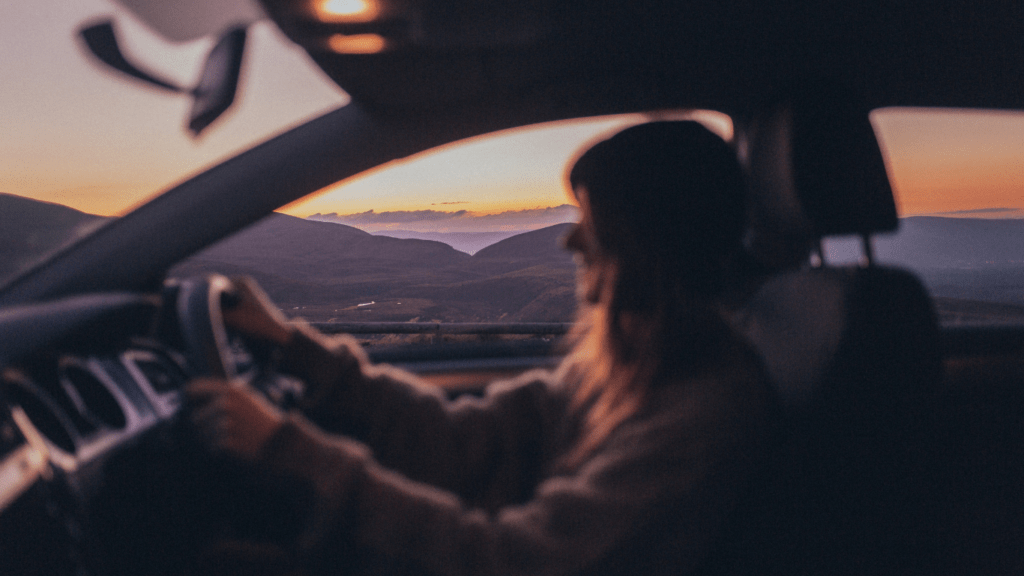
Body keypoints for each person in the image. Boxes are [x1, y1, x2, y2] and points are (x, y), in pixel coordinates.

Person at [185, 120, 778, 576]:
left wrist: (290, 450)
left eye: (592, 221)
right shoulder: (625, 368)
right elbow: (461, 440)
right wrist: (295, 348)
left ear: (649, 242)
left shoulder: (702, 417)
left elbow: (511, 562)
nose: (571, 239)